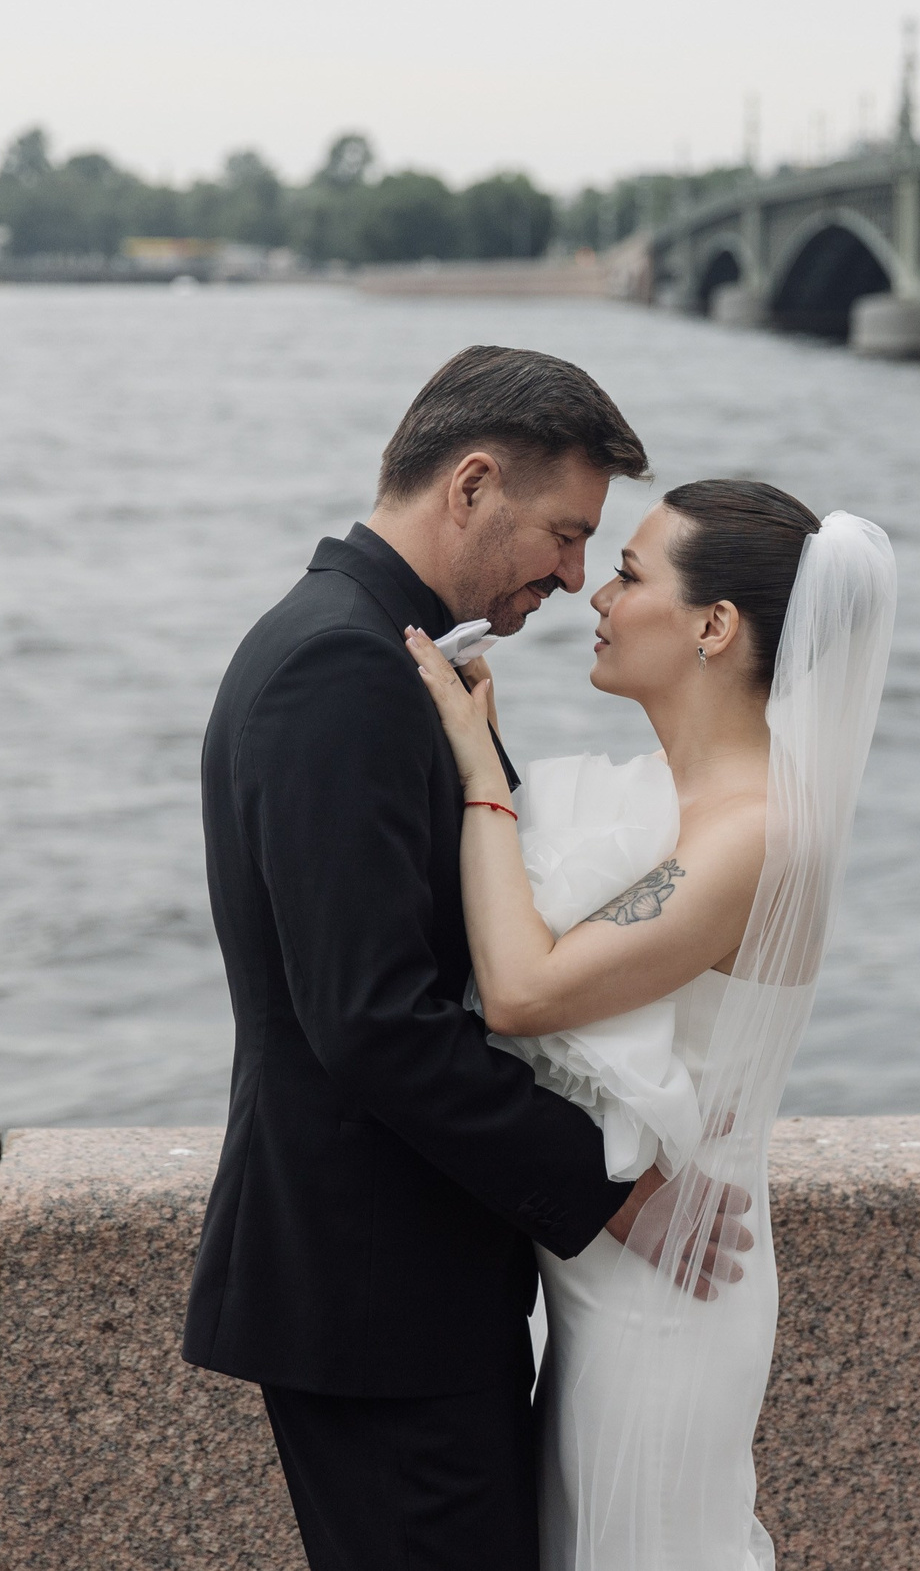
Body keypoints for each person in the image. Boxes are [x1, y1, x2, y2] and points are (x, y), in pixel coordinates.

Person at [183, 346, 752, 1571]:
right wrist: (609, 1192)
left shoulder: (380, 654)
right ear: (473, 483)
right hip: (379, 1301)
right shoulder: (343, 668)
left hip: (404, 1290)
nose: (575, 573)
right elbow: (374, 1018)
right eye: (563, 532)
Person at [400, 479, 897, 1571]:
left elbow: (526, 990)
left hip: (670, 1298)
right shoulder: (675, 808)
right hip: (606, 1273)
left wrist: (480, 768)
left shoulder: (755, 833)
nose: (596, 596)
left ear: (714, 626)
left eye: (629, 575)